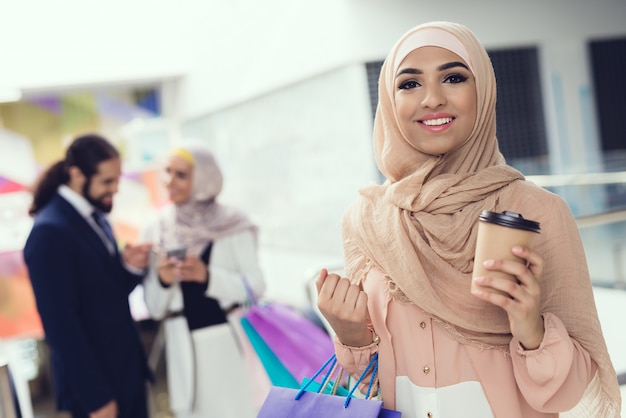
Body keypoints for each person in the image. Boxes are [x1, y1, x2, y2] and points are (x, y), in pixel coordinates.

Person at [315, 21, 621, 418]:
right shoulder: (366, 222)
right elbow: (370, 384)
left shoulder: (537, 211)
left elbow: (567, 392)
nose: (432, 99)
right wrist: (352, 336)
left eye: (454, 77)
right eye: (409, 84)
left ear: (484, 91)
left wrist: (530, 327)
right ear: (389, 104)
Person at [23, 134, 153, 418]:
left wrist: (128, 267)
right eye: (107, 181)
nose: (115, 189)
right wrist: (97, 399)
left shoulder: (96, 216)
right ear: (77, 174)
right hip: (97, 390)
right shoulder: (49, 231)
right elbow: (61, 327)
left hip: (126, 373)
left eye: (117, 179)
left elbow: (104, 294)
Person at [141, 144, 266, 418]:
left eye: (181, 175)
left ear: (204, 178)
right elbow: (154, 308)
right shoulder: (156, 229)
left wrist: (207, 277)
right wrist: (162, 281)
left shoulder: (233, 224)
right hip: (185, 350)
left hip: (230, 347)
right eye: (167, 172)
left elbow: (255, 288)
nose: (169, 182)